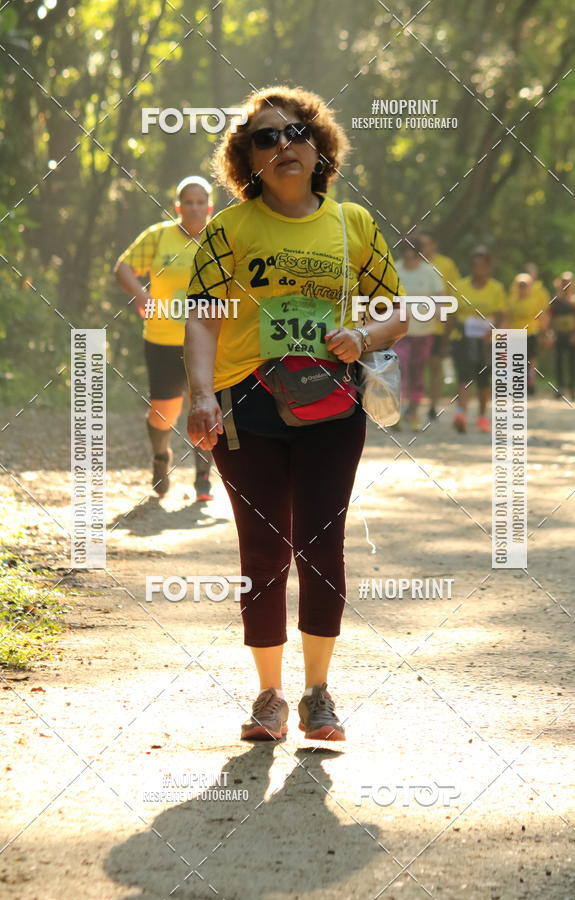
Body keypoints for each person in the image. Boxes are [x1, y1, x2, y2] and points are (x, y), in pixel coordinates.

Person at [184, 85, 406, 743]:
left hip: (332, 404)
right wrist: (199, 394)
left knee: (320, 542)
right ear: (247, 158)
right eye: (266, 137)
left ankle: (317, 693)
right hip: (245, 403)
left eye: (295, 132)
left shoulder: (353, 224)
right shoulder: (228, 228)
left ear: (319, 146)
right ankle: (267, 696)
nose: (283, 144)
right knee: (262, 549)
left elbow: (395, 310)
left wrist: (362, 338)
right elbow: (201, 315)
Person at [114, 177, 215, 501]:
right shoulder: (159, 236)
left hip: (209, 339)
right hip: (163, 338)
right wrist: (142, 296)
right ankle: (161, 458)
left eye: (201, 202)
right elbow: (124, 267)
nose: (195, 208)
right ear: (178, 207)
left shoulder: (219, 237)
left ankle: (203, 477)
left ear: (209, 207)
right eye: (189, 202)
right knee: (163, 411)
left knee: (203, 406)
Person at [446, 247, 507, 433]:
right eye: (475, 266)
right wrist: (447, 339)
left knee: (483, 380)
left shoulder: (496, 288)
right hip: (463, 337)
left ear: (488, 267)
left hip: (486, 339)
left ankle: (481, 416)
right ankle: (460, 414)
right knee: (464, 376)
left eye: (482, 266)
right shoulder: (460, 286)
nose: (478, 270)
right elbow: (451, 314)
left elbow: (502, 315)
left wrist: (495, 333)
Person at [392, 238, 444, 430]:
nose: (408, 255)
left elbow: (439, 297)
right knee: (399, 369)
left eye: (412, 252)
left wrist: (439, 312)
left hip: (423, 332)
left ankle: (413, 413)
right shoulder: (394, 270)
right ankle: (395, 413)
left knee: (417, 372)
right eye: (405, 251)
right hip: (399, 332)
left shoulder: (429, 272)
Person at [418, 230, 460, 420]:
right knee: (415, 367)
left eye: (426, 244)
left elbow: (452, 295)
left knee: (435, 365)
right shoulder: (411, 265)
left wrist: (448, 323)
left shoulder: (446, 265)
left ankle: (433, 406)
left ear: (434, 245)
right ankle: (414, 404)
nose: (423, 248)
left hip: (436, 326)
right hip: (413, 326)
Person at [507, 272, 550, 394]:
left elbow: (542, 317)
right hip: (515, 333)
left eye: (524, 286)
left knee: (531, 359)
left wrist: (545, 333)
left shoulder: (535, 300)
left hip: (531, 332)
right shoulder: (511, 300)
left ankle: (530, 383)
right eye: (520, 286)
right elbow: (507, 317)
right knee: (516, 359)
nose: (522, 288)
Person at [548, 272, 575, 401]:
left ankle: (573, 389)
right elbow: (550, 317)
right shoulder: (555, 300)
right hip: (558, 333)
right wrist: (550, 333)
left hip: (572, 333)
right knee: (559, 361)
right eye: (563, 282)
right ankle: (560, 387)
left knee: (572, 362)